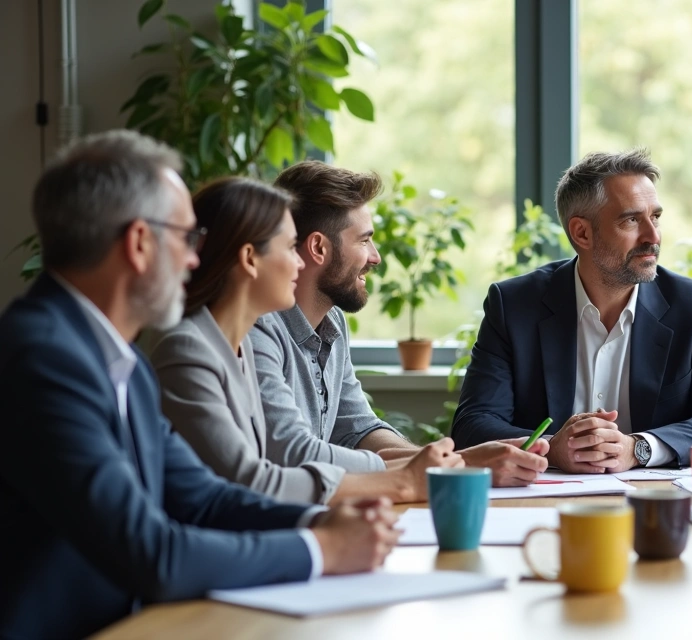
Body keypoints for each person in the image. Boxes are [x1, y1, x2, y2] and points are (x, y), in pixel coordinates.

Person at [0, 131, 398, 639]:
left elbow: (204, 497)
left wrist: (319, 525)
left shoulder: (119, 360)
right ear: (140, 243)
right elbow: (152, 551)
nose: (196, 260)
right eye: (187, 238)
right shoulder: (44, 361)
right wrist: (322, 550)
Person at [150, 177, 462, 505]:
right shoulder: (191, 349)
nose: (299, 262)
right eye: (289, 247)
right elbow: (255, 479)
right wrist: (403, 479)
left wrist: (424, 468)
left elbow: (273, 472)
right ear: (249, 259)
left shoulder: (236, 347)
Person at [253, 161, 548, 487]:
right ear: (319, 248)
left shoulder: (332, 322)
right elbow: (292, 453)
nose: (376, 256)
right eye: (364, 241)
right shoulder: (257, 327)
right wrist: (457, 466)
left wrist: (440, 463)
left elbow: (357, 427)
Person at [450, 149, 692, 472]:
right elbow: (472, 425)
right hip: (542, 499)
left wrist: (639, 448)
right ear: (582, 233)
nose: (653, 236)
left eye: (656, 217)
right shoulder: (514, 305)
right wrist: (552, 447)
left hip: (656, 498)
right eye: (632, 220)